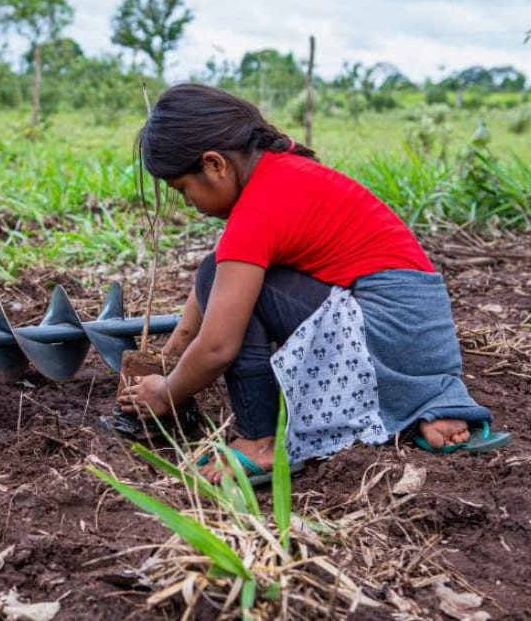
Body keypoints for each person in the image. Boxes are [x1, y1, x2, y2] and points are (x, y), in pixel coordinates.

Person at [118, 83, 509, 484]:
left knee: (221, 279)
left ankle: (259, 441)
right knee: (218, 270)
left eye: (183, 189)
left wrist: (167, 392)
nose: (188, 203)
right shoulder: (282, 169)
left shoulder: (257, 212)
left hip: (385, 334)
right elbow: (212, 288)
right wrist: (170, 355)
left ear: (215, 164)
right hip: (422, 345)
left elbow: (218, 345)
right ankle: (422, 404)